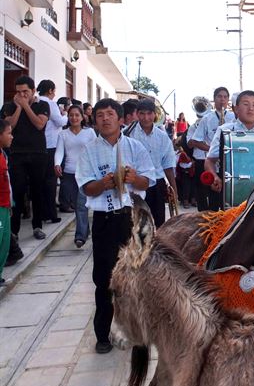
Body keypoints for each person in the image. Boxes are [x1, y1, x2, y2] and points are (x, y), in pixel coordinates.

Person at [75, 98, 154, 353]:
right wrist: (105, 183)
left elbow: (147, 182)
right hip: (105, 221)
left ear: (121, 119)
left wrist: (134, 178)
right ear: (95, 121)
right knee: (104, 278)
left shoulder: (135, 147)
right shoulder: (89, 151)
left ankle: (136, 329)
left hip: (131, 219)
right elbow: (87, 187)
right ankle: (103, 334)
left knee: (137, 274)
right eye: (100, 115)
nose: (105, 119)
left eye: (110, 114)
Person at [1, 76, 49, 240]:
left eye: (25, 92)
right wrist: (19, 108)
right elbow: (9, 126)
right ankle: (14, 230)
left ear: (33, 91)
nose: (22, 95)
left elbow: (39, 124)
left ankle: (37, 226)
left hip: (38, 153)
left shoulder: (42, 105)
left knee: (37, 190)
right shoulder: (8, 106)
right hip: (17, 154)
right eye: (19, 92)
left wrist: (26, 106)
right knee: (18, 191)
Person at [205, 90, 254, 192]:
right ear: (236, 109)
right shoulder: (225, 130)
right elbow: (209, 161)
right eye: (246, 104)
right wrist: (215, 177)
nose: (251, 108)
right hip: (232, 188)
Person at [127, 99, 177, 227]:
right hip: (135, 183)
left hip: (157, 184)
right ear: (137, 114)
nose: (146, 118)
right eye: (142, 114)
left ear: (154, 115)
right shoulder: (127, 134)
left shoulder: (162, 136)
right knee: (135, 223)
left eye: (149, 114)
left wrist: (174, 189)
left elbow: (168, 165)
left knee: (158, 222)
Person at [54, 105, 97, 247]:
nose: (74, 118)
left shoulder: (90, 132)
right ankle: (85, 230)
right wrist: (57, 164)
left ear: (82, 117)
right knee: (75, 203)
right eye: (71, 115)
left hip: (85, 173)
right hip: (69, 173)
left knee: (81, 205)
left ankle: (80, 236)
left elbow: (95, 151)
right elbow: (59, 151)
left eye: (77, 115)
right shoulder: (63, 134)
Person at [190, 87, 235, 211]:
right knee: (213, 200)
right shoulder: (207, 118)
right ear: (214, 99)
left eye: (225, 97)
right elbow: (196, 141)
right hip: (212, 164)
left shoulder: (233, 117)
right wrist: (214, 149)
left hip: (230, 165)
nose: (222, 99)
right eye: (219, 97)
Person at [37, 80, 68, 224]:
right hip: (51, 145)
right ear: (50, 90)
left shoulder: (36, 101)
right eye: (54, 90)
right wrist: (66, 114)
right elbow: (60, 122)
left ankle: (42, 212)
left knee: (41, 181)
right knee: (50, 181)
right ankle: (51, 213)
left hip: (40, 145)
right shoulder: (50, 103)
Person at [0, 120, 14, 284]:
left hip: (5, 205)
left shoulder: (3, 154)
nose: (11, 136)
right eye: (9, 133)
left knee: (4, 243)